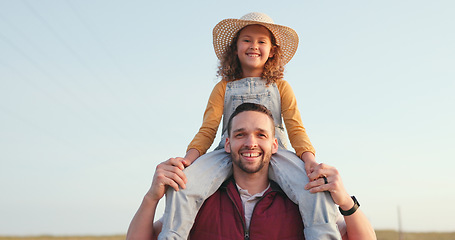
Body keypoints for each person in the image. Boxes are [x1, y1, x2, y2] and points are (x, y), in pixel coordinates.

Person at [161, 12, 339, 239]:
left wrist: (309, 159)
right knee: (184, 186)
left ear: (272, 51)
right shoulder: (223, 88)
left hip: (276, 151)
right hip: (229, 150)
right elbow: (208, 129)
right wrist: (189, 160)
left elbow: (296, 127)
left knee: (313, 188)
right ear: (235, 48)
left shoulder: (280, 87)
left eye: (261, 41)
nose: (253, 46)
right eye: (246, 40)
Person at [127, 103, 376, 240]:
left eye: (261, 134)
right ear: (227, 144)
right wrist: (151, 198)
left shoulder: (302, 201)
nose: (251, 143)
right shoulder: (198, 201)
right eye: (240, 134)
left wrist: (345, 201)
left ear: (275, 145)